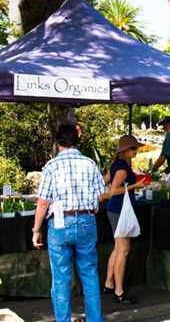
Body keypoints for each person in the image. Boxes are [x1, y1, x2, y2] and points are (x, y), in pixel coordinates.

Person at [33, 124, 105, 322]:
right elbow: (101, 195)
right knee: (90, 274)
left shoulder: (51, 166)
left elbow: (43, 202)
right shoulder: (90, 163)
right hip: (86, 220)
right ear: (77, 141)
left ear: (58, 142)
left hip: (59, 223)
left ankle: (63, 319)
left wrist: (36, 230)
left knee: (61, 278)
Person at [103, 135, 146, 305]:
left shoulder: (119, 165)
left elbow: (106, 182)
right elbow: (113, 191)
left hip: (116, 210)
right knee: (124, 250)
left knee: (118, 247)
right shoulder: (122, 168)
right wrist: (136, 186)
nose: (136, 151)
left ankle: (109, 283)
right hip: (120, 210)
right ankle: (119, 291)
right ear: (125, 151)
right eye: (134, 148)